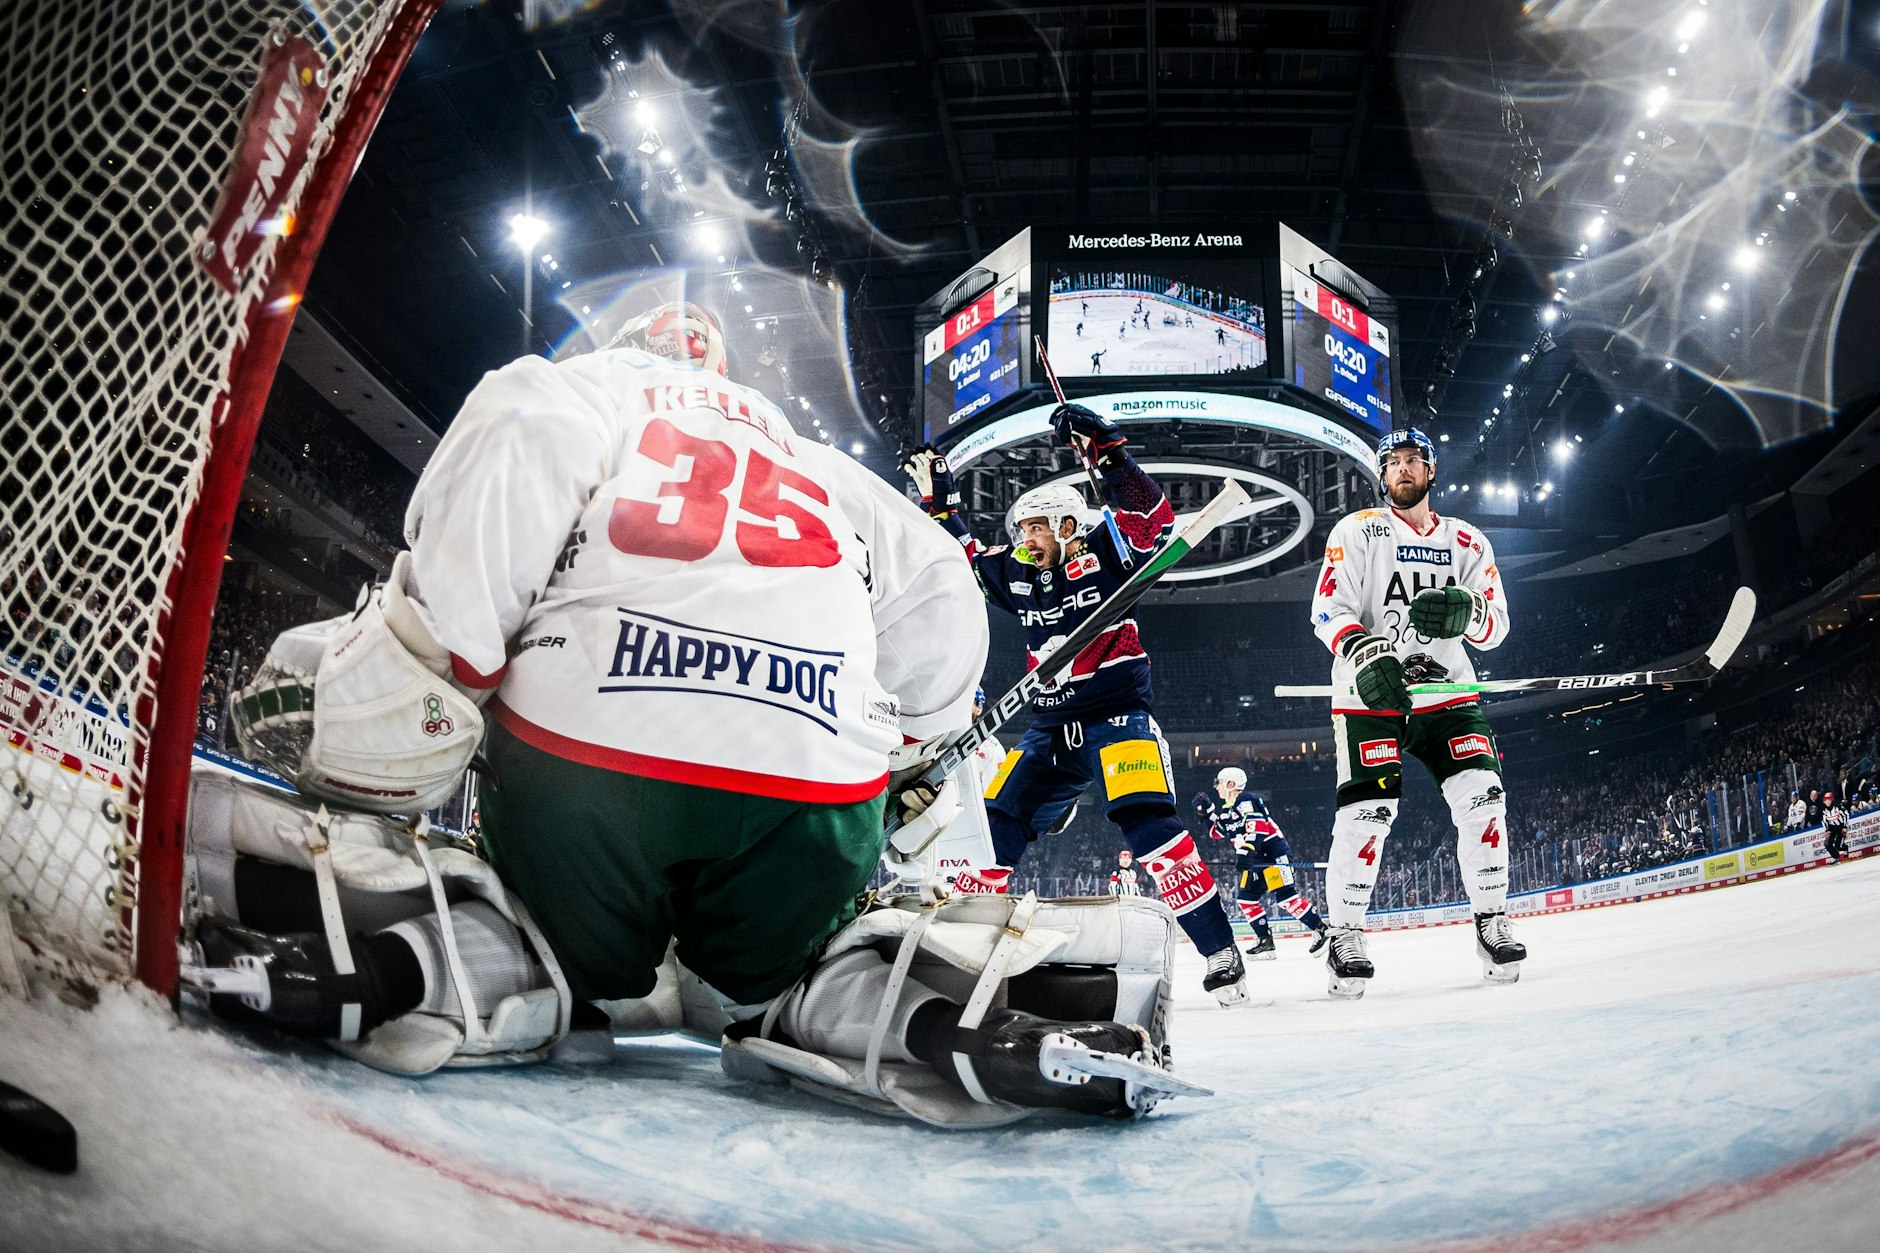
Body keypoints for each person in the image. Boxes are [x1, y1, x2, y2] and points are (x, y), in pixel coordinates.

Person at [190, 302, 1190, 1121]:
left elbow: (479, 563)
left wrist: (410, 677)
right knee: (783, 963)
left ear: (620, 347)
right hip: (808, 791)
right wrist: (916, 750)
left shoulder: (573, 387)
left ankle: (426, 955)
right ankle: (921, 1005)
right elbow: (941, 601)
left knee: (548, 907)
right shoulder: (819, 465)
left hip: (591, 780)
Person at [902, 404, 1248, 1007]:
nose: (1025, 539)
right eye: (1021, 531)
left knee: (1149, 828)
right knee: (997, 826)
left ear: (1068, 527)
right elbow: (960, 562)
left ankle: (1220, 951)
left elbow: (1150, 519)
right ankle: (968, 952)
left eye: (1037, 527)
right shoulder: (1014, 572)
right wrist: (941, 506)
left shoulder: (1104, 553)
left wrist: (1107, 452)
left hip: (1118, 720)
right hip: (1048, 726)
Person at [1308, 427, 1525, 999]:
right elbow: (1328, 609)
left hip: (1447, 693)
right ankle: (1345, 933)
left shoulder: (1470, 543)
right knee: (1369, 814)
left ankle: (1491, 920)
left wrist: (1466, 612)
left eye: (1413, 461)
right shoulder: (1356, 531)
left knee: (1484, 797)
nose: (1403, 470)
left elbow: (1497, 628)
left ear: (1432, 471)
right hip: (1369, 694)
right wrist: (1363, 651)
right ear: (1382, 475)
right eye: (1393, 463)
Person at [1193, 766, 1329, 959]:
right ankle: (1265, 941)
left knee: (1286, 898)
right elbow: (1216, 832)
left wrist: (1247, 853)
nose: (1217, 787)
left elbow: (1258, 828)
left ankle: (1322, 929)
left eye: (1220, 783)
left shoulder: (1245, 799)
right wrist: (1206, 813)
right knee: (1246, 900)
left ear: (1231, 784)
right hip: (1255, 861)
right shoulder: (1227, 810)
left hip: (1272, 857)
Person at [1823, 792, 1849, 863]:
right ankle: (1835, 857)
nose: (1827, 801)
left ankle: (1845, 847)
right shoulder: (1824, 810)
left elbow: (1846, 815)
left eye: (1829, 799)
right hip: (1832, 828)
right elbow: (1824, 821)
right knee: (1827, 844)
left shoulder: (1838, 807)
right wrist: (1827, 830)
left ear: (1831, 800)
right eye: (1826, 800)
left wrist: (1845, 826)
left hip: (1840, 827)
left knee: (1838, 845)